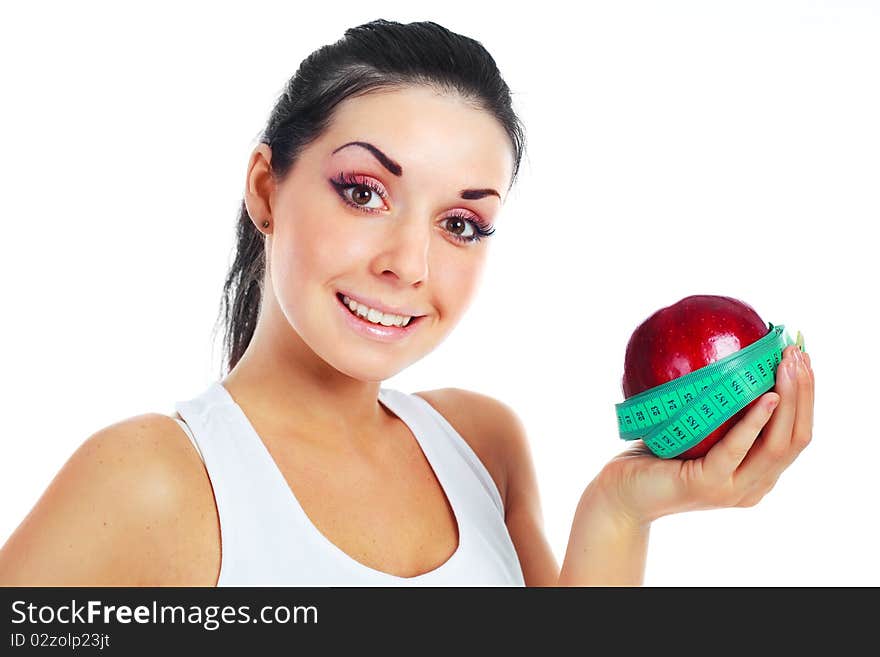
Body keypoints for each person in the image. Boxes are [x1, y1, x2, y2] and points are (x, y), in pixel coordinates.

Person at [0, 19, 814, 587]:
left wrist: (622, 508)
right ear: (265, 189)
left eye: (461, 222)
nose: (408, 264)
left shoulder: (481, 443)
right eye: (364, 191)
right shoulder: (152, 479)